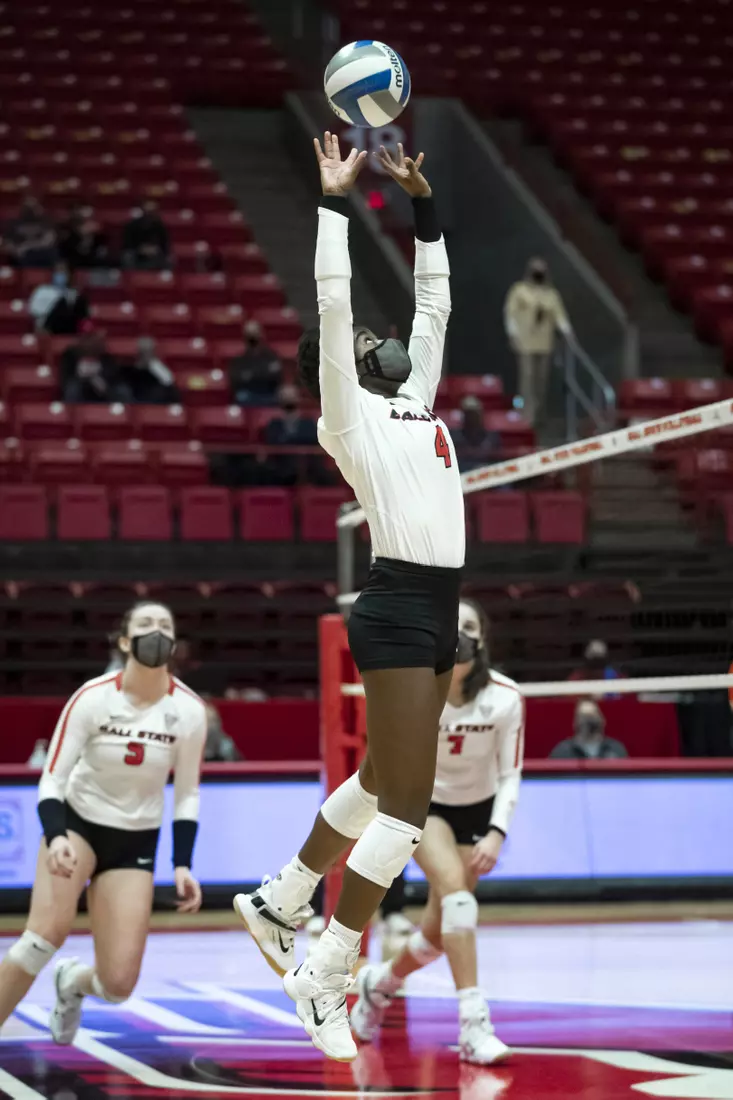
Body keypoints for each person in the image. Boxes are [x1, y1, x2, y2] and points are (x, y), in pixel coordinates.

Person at [233, 134, 463, 1063]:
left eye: (381, 335)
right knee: (408, 810)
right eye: (367, 340)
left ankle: (280, 897)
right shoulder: (349, 415)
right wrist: (333, 201)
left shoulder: (418, 392)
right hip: (401, 603)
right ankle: (326, 965)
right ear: (345, 367)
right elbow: (331, 306)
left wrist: (424, 200)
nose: (380, 335)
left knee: (378, 785)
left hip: (438, 606)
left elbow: (435, 300)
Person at [0, 602, 206, 1042]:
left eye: (165, 625)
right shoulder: (93, 696)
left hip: (135, 841)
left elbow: (187, 792)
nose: (157, 631)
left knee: (118, 985)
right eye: (146, 624)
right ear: (125, 640)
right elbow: (52, 779)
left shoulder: (188, 711)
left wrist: (183, 863)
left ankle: (71, 982)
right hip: (79, 824)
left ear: (176, 642)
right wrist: (56, 836)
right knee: (41, 939)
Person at [351, 599, 520, 1064]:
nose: (460, 633)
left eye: (470, 626)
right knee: (461, 904)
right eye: (453, 624)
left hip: (478, 811)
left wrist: (496, 832)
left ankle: (379, 985)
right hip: (423, 805)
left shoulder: (505, 697)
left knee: (437, 935)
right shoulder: (414, 689)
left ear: (481, 639)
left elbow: (511, 774)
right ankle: (473, 1025)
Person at [503, 257, 573, 427]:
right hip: (525, 343)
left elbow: (560, 317)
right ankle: (526, 415)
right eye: (536, 270)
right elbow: (510, 313)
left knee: (541, 381)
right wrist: (512, 333)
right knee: (526, 379)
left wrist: (567, 332)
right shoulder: (519, 290)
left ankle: (540, 415)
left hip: (544, 344)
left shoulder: (551, 294)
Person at [261, 383, 319, 485]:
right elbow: (272, 442)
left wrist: (287, 439)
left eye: (291, 396)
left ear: (297, 398)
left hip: (306, 466)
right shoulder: (274, 424)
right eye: (285, 397)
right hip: (280, 467)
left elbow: (312, 440)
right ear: (280, 400)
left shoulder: (308, 423)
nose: (289, 400)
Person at [60, 326, 131, 404]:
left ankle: (119, 414)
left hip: (104, 385)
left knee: (122, 390)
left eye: (90, 336)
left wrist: (99, 378)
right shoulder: (70, 354)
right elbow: (65, 377)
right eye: (85, 337)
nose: (88, 341)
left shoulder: (104, 353)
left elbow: (114, 374)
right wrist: (80, 375)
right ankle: (73, 414)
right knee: (72, 389)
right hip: (80, 384)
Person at [550, 700, 627, 760]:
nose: (589, 721)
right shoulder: (561, 752)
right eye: (584, 716)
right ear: (576, 722)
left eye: (592, 715)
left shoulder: (616, 749)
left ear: (602, 720)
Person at [28, 262, 90, 336]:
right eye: (58, 271)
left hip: (71, 329)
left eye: (63, 272)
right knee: (62, 303)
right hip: (48, 328)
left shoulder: (74, 294)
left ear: (69, 275)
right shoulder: (42, 291)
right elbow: (35, 314)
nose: (60, 274)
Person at [228, 320, 282, 406]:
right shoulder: (238, 360)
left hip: (268, 394)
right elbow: (236, 381)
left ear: (261, 334)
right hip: (247, 395)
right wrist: (262, 373)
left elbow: (276, 378)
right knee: (241, 396)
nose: (252, 337)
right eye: (249, 334)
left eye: (254, 333)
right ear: (244, 336)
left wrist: (250, 375)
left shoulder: (271, 356)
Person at [3, 195, 58, 268]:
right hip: (21, 255)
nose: (30, 210)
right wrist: (14, 248)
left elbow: (48, 240)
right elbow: (7, 241)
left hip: (41, 251)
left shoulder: (46, 221)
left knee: (53, 253)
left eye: (33, 207)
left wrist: (26, 246)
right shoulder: (15, 223)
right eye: (27, 207)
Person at [122, 337, 180, 404]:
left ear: (153, 351)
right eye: (143, 351)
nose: (145, 354)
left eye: (148, 351)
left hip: (156, 403)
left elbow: (169, 382)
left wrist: (152, 364)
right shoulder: (129, 368)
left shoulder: (159, 368)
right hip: (136, 402)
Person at [451, 396, 501, 471]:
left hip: (487, 474)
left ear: (480, 414)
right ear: (464, 416)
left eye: (474, 413)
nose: (471, 417)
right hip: (463, 474)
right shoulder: (454, 437)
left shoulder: (492, 437)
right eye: (468, 414)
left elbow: (497, 462)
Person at [122, 199, 170, 270]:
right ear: (143, 210)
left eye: (152, 211)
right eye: (148, 211)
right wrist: (140, 249)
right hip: (136, 252)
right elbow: (128, 243)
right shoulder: (132, 225)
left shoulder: (159, 226)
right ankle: (131, 278)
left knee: (168, 259)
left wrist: (155, 249)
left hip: (154, 253)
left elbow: (164, 244)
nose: (149, 214)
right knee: (127, 256)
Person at [58, 204, 110, 270]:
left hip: (92, 259)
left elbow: (100, 249)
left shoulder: (98, 235)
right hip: (74, 258)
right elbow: (66, 248)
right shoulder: (68, 230)